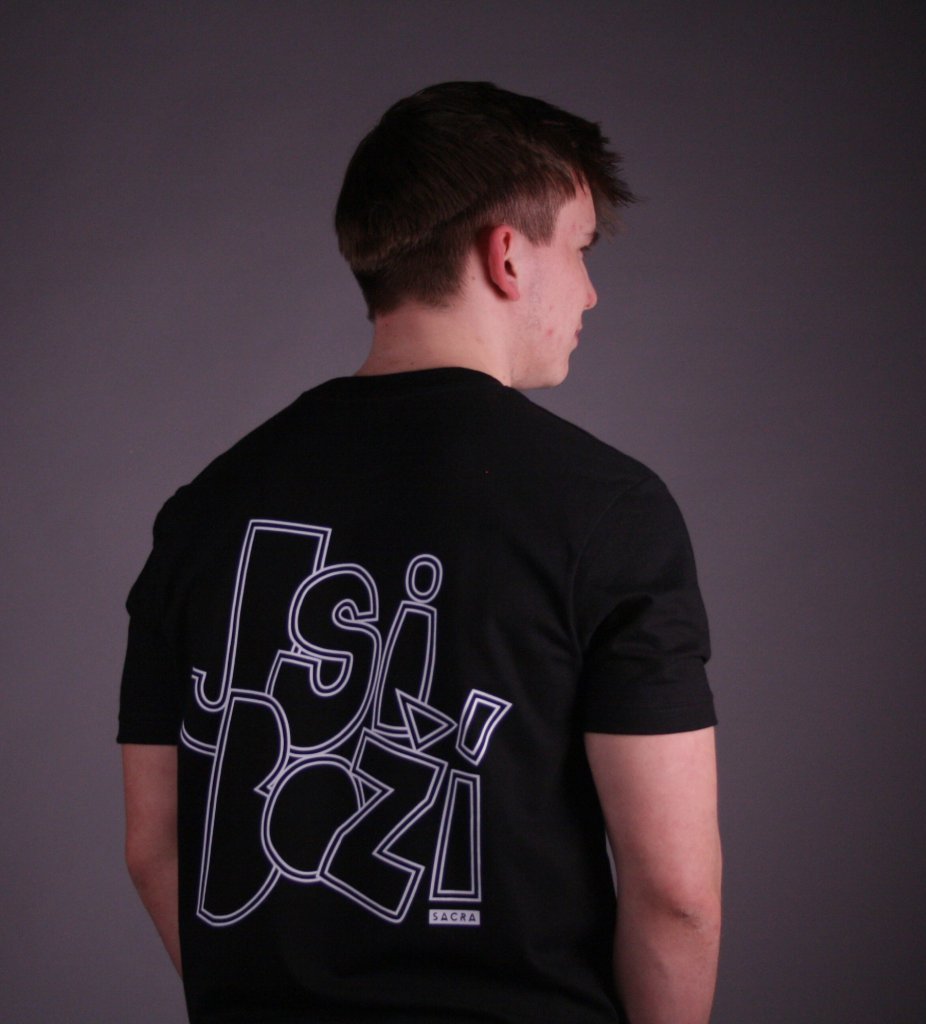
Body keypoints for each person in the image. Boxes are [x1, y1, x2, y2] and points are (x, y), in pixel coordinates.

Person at [119, 81, 721, 1024]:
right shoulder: (610, 510)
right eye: (581, 249)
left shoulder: (203, 510)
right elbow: (676, 893)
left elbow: (156, 846)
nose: (591, 292)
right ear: (508, 255)